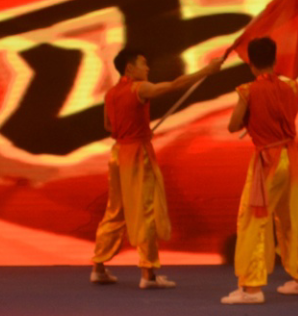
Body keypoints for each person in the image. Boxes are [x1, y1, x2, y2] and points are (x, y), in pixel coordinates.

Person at [90, 48, 222, 288]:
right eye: (143, 64)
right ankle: (148, 274)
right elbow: (174, 85)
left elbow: (109, 126)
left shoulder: (111, 93)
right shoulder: (139, 88)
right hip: (137, 155)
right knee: (146, 210)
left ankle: (98, 267)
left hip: (118, 154)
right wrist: (207, 71)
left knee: (115, 211)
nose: (147, 68)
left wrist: (133, 129)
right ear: (130, 68)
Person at [222, 37, 298, 305]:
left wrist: (249, 118)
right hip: (292, 160)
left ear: (251, 63)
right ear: (275, 59)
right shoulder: (292, 86)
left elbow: (233, 126)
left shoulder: (248, 91)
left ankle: (251, 288)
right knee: (292, 219)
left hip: (268, 162)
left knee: (253, 221)